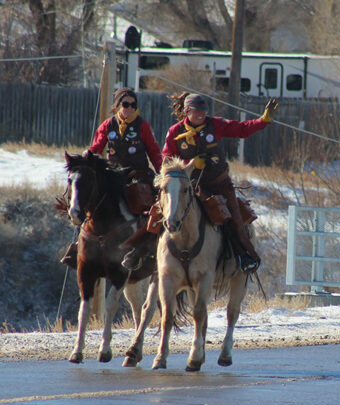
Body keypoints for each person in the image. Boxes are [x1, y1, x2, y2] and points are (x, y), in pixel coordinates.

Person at [161, 92, 278, 272]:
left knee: (235, 219)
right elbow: (167, 160)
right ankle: (150, 256)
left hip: (219, 185)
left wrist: (263, 120)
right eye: (197, 111)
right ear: (187, 111)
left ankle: (244, 256)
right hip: (189, 187)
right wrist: (190, 165)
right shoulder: (175, 132)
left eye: (204, 111)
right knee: (158, 214)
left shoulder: (215, 125)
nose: (202, 114)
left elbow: (241, 129)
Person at [61, 88, 163, 270]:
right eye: (126, 104)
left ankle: (147, 247)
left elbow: (154, 151)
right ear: (118, 105)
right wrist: (87, 159)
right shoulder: (108, 125)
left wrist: (162, 173)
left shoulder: (143, 126)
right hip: (114, 175)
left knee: (146, 206)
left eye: (133, 105)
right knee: (91, 201)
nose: (130, 108)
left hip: (137, 174)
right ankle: (79, 245)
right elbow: (96, 148)